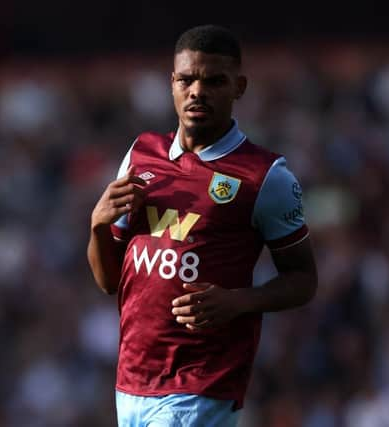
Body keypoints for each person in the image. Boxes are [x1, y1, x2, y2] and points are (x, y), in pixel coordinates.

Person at [87, 24, 317, 427]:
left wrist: (238, 301)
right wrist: (96, 226)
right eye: (186, 79)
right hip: (133, 379)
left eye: (214, 81)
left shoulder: (263, 176)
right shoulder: (141, 154)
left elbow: (303, 279)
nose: (197, 91)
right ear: (172, 84)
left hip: (200, 384)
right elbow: (109, 282)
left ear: (239, 87)